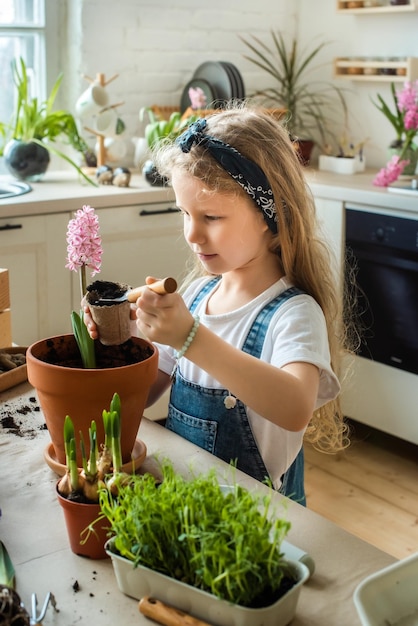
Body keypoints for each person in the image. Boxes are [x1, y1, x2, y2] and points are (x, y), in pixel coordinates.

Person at [84, 105, 352, 506]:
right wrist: (119, 340)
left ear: (270, 213)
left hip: (255, 524)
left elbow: (295, 407)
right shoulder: (194, 297)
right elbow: (140, 394)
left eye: (211, 216)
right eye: (184, 213)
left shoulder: (293, 313)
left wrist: (190, 337)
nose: (192, 234)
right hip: (183, 504)